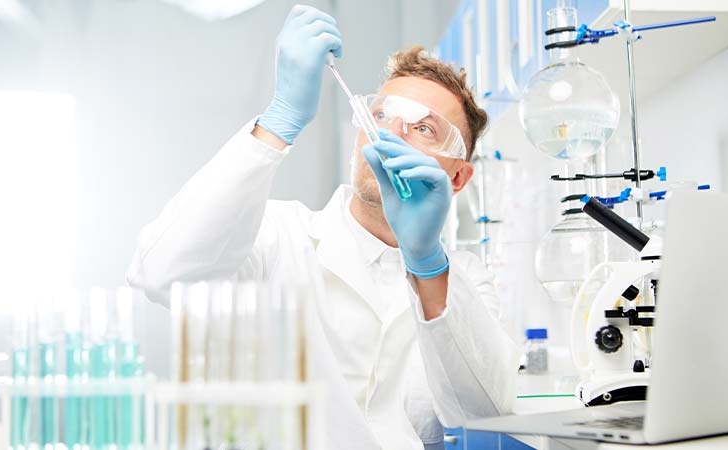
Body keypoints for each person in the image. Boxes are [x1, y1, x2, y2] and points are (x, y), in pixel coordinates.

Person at [127, 4, 520, 450]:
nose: (390, 135)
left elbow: (484, 410)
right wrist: (279, 120)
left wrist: (427, 263)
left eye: (425, 128)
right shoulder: (277, 235)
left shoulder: (464, 276)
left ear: (457, 178)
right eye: (381, 115)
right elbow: (161, 273)